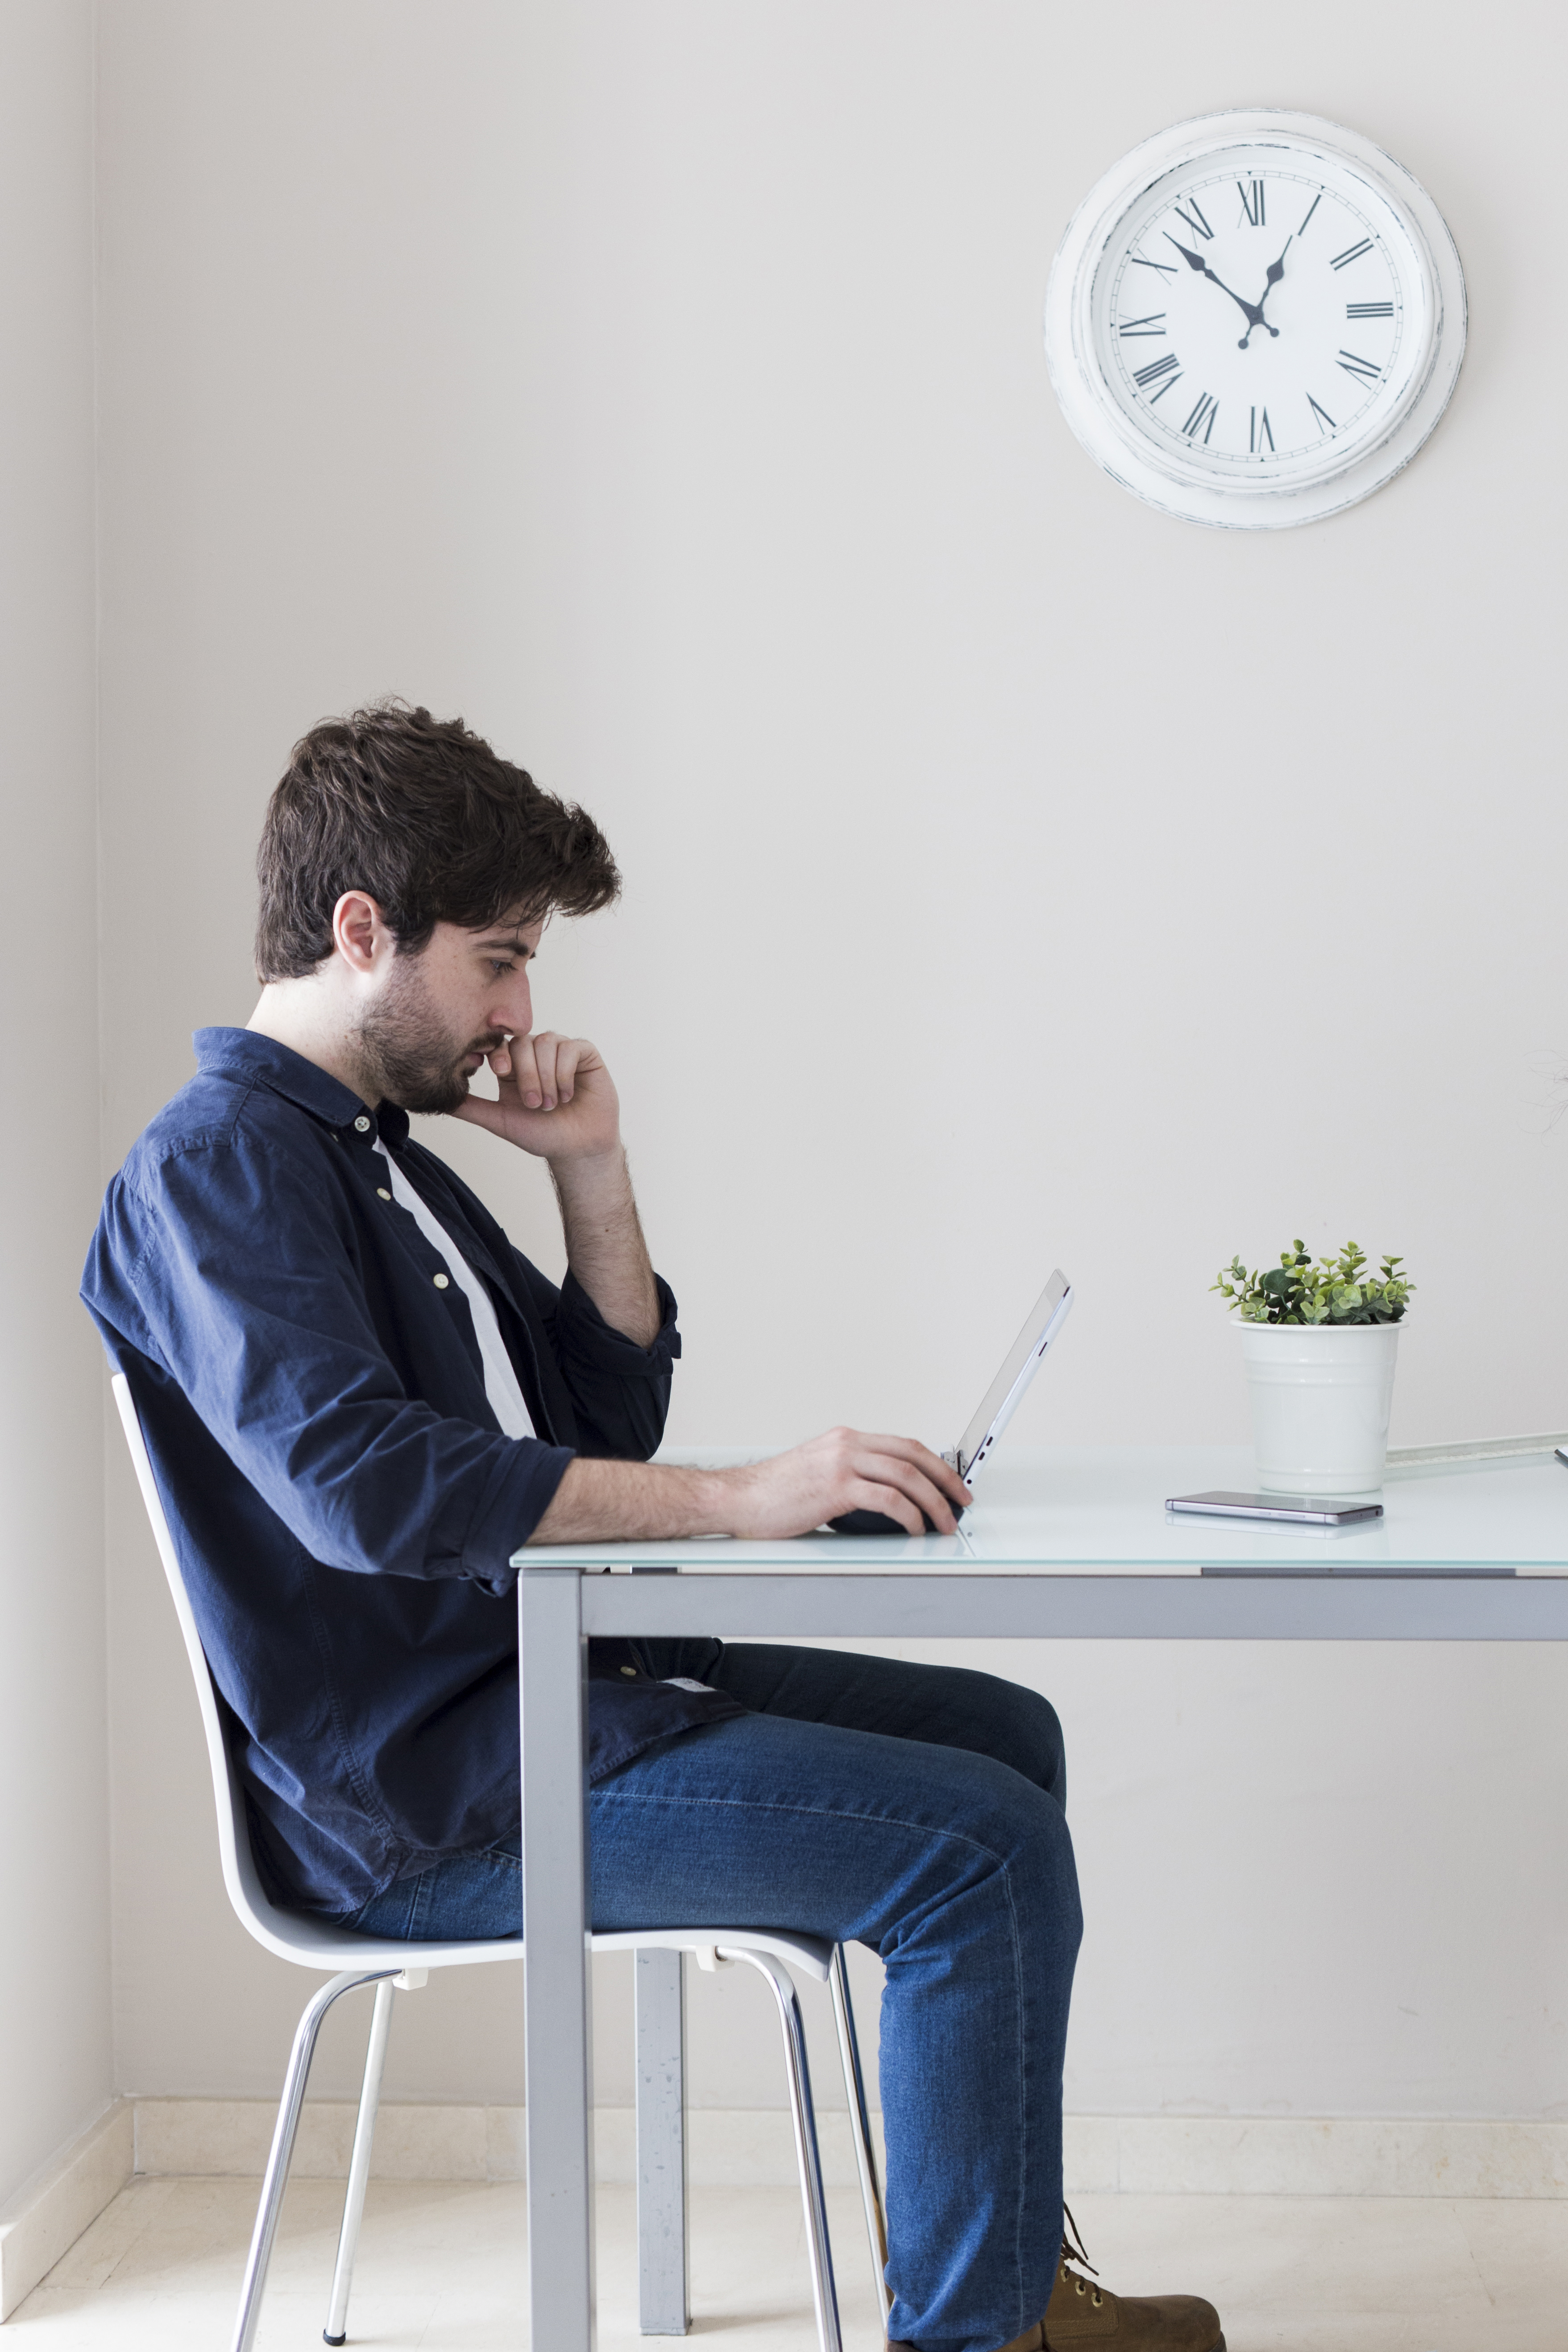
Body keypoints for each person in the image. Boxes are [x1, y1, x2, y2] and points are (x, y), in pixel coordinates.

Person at [82, 703, 1224, 2352]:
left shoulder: (380, 1157)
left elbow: (601, 1432)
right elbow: (373, 1494)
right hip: (429, 1796)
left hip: (551, 1699)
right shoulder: (218, 1171)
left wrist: (592, 1169)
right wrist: (751, 1504)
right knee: (973, 1850)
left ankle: (1006, 2285)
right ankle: (977, 2342)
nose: (517, 1013)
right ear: (359, 932)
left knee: (1004, 1740)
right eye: (498, 959)